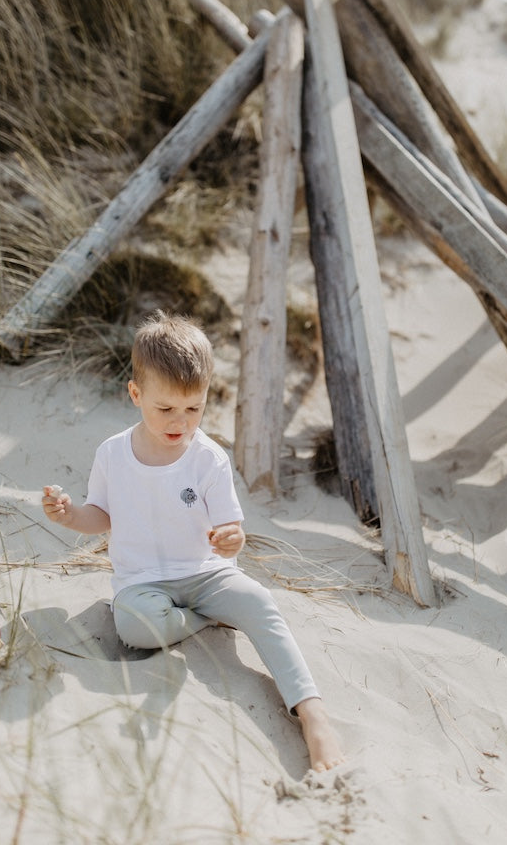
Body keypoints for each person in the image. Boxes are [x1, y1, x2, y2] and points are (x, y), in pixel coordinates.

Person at [42, 310, 344, 774]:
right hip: (144, 582)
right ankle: (203, 621)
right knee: (135, 629)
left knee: (260, 603)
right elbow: (100, 517)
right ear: (136, 394)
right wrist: (69, 516)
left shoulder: (208, 458)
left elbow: (231, 532)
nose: (180, 422)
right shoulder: (112, 454)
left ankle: (311, 711)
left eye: (194, 408)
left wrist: (231, 540)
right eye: (166, 409)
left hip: (207, 574)